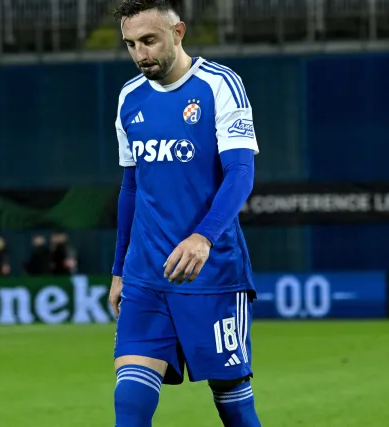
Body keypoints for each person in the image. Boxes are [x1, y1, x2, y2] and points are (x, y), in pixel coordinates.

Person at [107, 1, 261, 426]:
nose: (141, 54)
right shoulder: (129, 97)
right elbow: (131, 187)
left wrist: (203, 236)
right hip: (146, 274)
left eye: (149, 40)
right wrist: (119, 269)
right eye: (131, 44)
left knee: (233, 405)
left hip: (212, 274)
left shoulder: (219, 85)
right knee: (130, 401)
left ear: (178, 33)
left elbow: (240, 173)